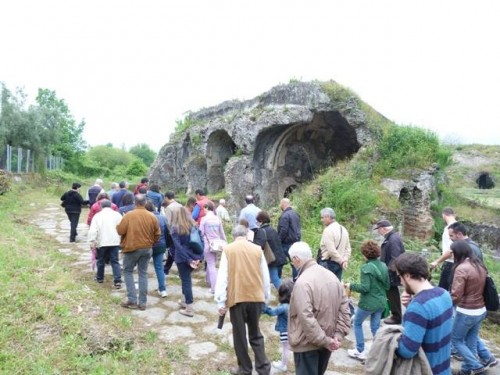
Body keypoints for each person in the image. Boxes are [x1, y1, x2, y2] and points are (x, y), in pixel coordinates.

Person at [214, 224, 271, 375]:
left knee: (239, 335)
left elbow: (223, 277)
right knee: (256, 333)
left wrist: (221, 300)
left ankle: (245, 369)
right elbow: (265, 276)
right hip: (256, 297)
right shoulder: (257, 249)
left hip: (237, 298)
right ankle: (263, 367)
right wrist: (266, 296)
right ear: (247, 235)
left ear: (233, 236)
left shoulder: (228, 250)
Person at [287, 241, 351, 375]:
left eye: (291, 261)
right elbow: (344, 307)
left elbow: (306, 317)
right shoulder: (333, 277)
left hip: (307, 344)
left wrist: (324, 340)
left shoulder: (302, 282)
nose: (292, 264)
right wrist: (337, 335)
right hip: (328, 340)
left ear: (296, 259)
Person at [394, 252, 453, 375]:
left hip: (427, 370)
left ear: (408, 275)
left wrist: (390, 340)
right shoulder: (444, 294)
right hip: (444, 368)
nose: (400, 282)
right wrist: (409, 306)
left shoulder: (418, 307)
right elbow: (431, 325)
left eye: (399, 276)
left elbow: (407, 350)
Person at [449, 240, 497, 375]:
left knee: (456, 340)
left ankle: (475, 366)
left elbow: (456, 295)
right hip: (481, 310)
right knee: (471, 341)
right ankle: (465, 370)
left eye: (453, 252)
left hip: (466, 311)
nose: (452, 255)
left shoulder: (461, 268)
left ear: (459, 252)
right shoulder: (479, 265)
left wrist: (444, 302)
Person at [345, 240, 390, 360]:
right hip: (381, 302)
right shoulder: (384, 266)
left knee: (357, 323)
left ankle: (360, 350)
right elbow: (387, 286)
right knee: (375, 327)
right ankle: (379, 351)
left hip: (368, 303)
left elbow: (365, 288)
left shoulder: (366, 268)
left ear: (365, 254)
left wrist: (351, 285)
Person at [116, 194, 160, 311]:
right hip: (147, 248)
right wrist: (151, 243)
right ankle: (142, 303)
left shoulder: (129, 216)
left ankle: (132, 299)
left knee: (128, 271)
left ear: (135, 203)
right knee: (143, 273)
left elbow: (120, 231)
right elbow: (157, 234)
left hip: (132, 248)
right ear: (145, 203)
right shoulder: (152, 216)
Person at [170, 206, 204, 317]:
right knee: (186, 280)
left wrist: (188, 259)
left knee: (186, 282)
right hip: (194, 256)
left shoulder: (175, 228)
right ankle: (184, 301)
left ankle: (189, 308)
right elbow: (201, 241)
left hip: (182, 258)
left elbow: (178, 247)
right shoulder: (194, 225)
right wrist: (200, 256)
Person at [374, 219, 405, 325]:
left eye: (378, 229)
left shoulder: (393, 239)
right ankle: (394, 315)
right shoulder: (392, 237)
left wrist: (386, 272)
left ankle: (396, 317)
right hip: (391, 272)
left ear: (384, 229)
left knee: (393, 293)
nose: (378, 231)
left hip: (391, 273)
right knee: (391, 293)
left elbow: (395, 258)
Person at [88, 199, 122, 288]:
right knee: (115, 261)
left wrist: (92, 241)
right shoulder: (117, 215)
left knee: (101, 260)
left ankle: (100, 278)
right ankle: (117, 280)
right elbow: (122, 228)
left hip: (102, 241)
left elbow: (93, 230)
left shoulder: (98, 216)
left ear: (101, 206)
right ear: (111, 206)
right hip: (115, 241)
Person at [263, 279, 294, 373]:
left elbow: (272, 312)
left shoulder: (284, 307)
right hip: (291, 329)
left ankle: (283, 365)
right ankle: (283, 363)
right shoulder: (293, 304)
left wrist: (264, 308)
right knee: (287, 347)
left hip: (285, 330)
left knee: (285, 348)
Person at [253, 210, 287, 290]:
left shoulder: (261, 231)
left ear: (261, 221)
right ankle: (285, 292)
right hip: (279, 257)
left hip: (271, 259)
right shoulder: (272, 229)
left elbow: (259, 246)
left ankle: (286, 294)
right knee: (276, 277)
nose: (256, 222)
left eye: (257, 220)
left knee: (274, 278)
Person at [199, 201, 226, 294]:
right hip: (217, 244)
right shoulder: (217, 219)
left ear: (207, 208)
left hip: (208, 244)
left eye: (204, 209)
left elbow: (201, 233)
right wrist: (225, 243)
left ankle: (214, 288)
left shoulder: (204, 219)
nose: (203, 211)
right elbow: (222, 233)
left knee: (211, 265)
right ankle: (208, 280)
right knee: (211, 262)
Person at [318, 207, 352, 281]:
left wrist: (342, 261)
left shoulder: (328, 230)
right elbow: (348, 248)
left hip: (327, 263)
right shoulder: (344, 229)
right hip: (339, 265)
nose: (321, 220)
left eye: (322, 217)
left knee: (324, 287)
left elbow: (331, 250)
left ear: (328, 217)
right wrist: (344, 260)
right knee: (335, 287)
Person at [145, 201, 169, 298]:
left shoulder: (146, 218)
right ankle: (163, 290)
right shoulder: (163, 218)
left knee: (143, 268)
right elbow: (167, 232)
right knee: (159, 267)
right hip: (161, 245)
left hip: (148, 245)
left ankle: (143, 288)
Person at [277, 198, 301, 279]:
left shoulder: (285, 215)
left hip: (286, 243)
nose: (280, 206)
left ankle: (277, 278)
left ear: (283, 204)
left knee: (279, 261)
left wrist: (278, 241)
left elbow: (283, 230)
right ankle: (296, 280)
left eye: (280, 204)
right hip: (296, 242)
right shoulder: (296, 214)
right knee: (295, 263)